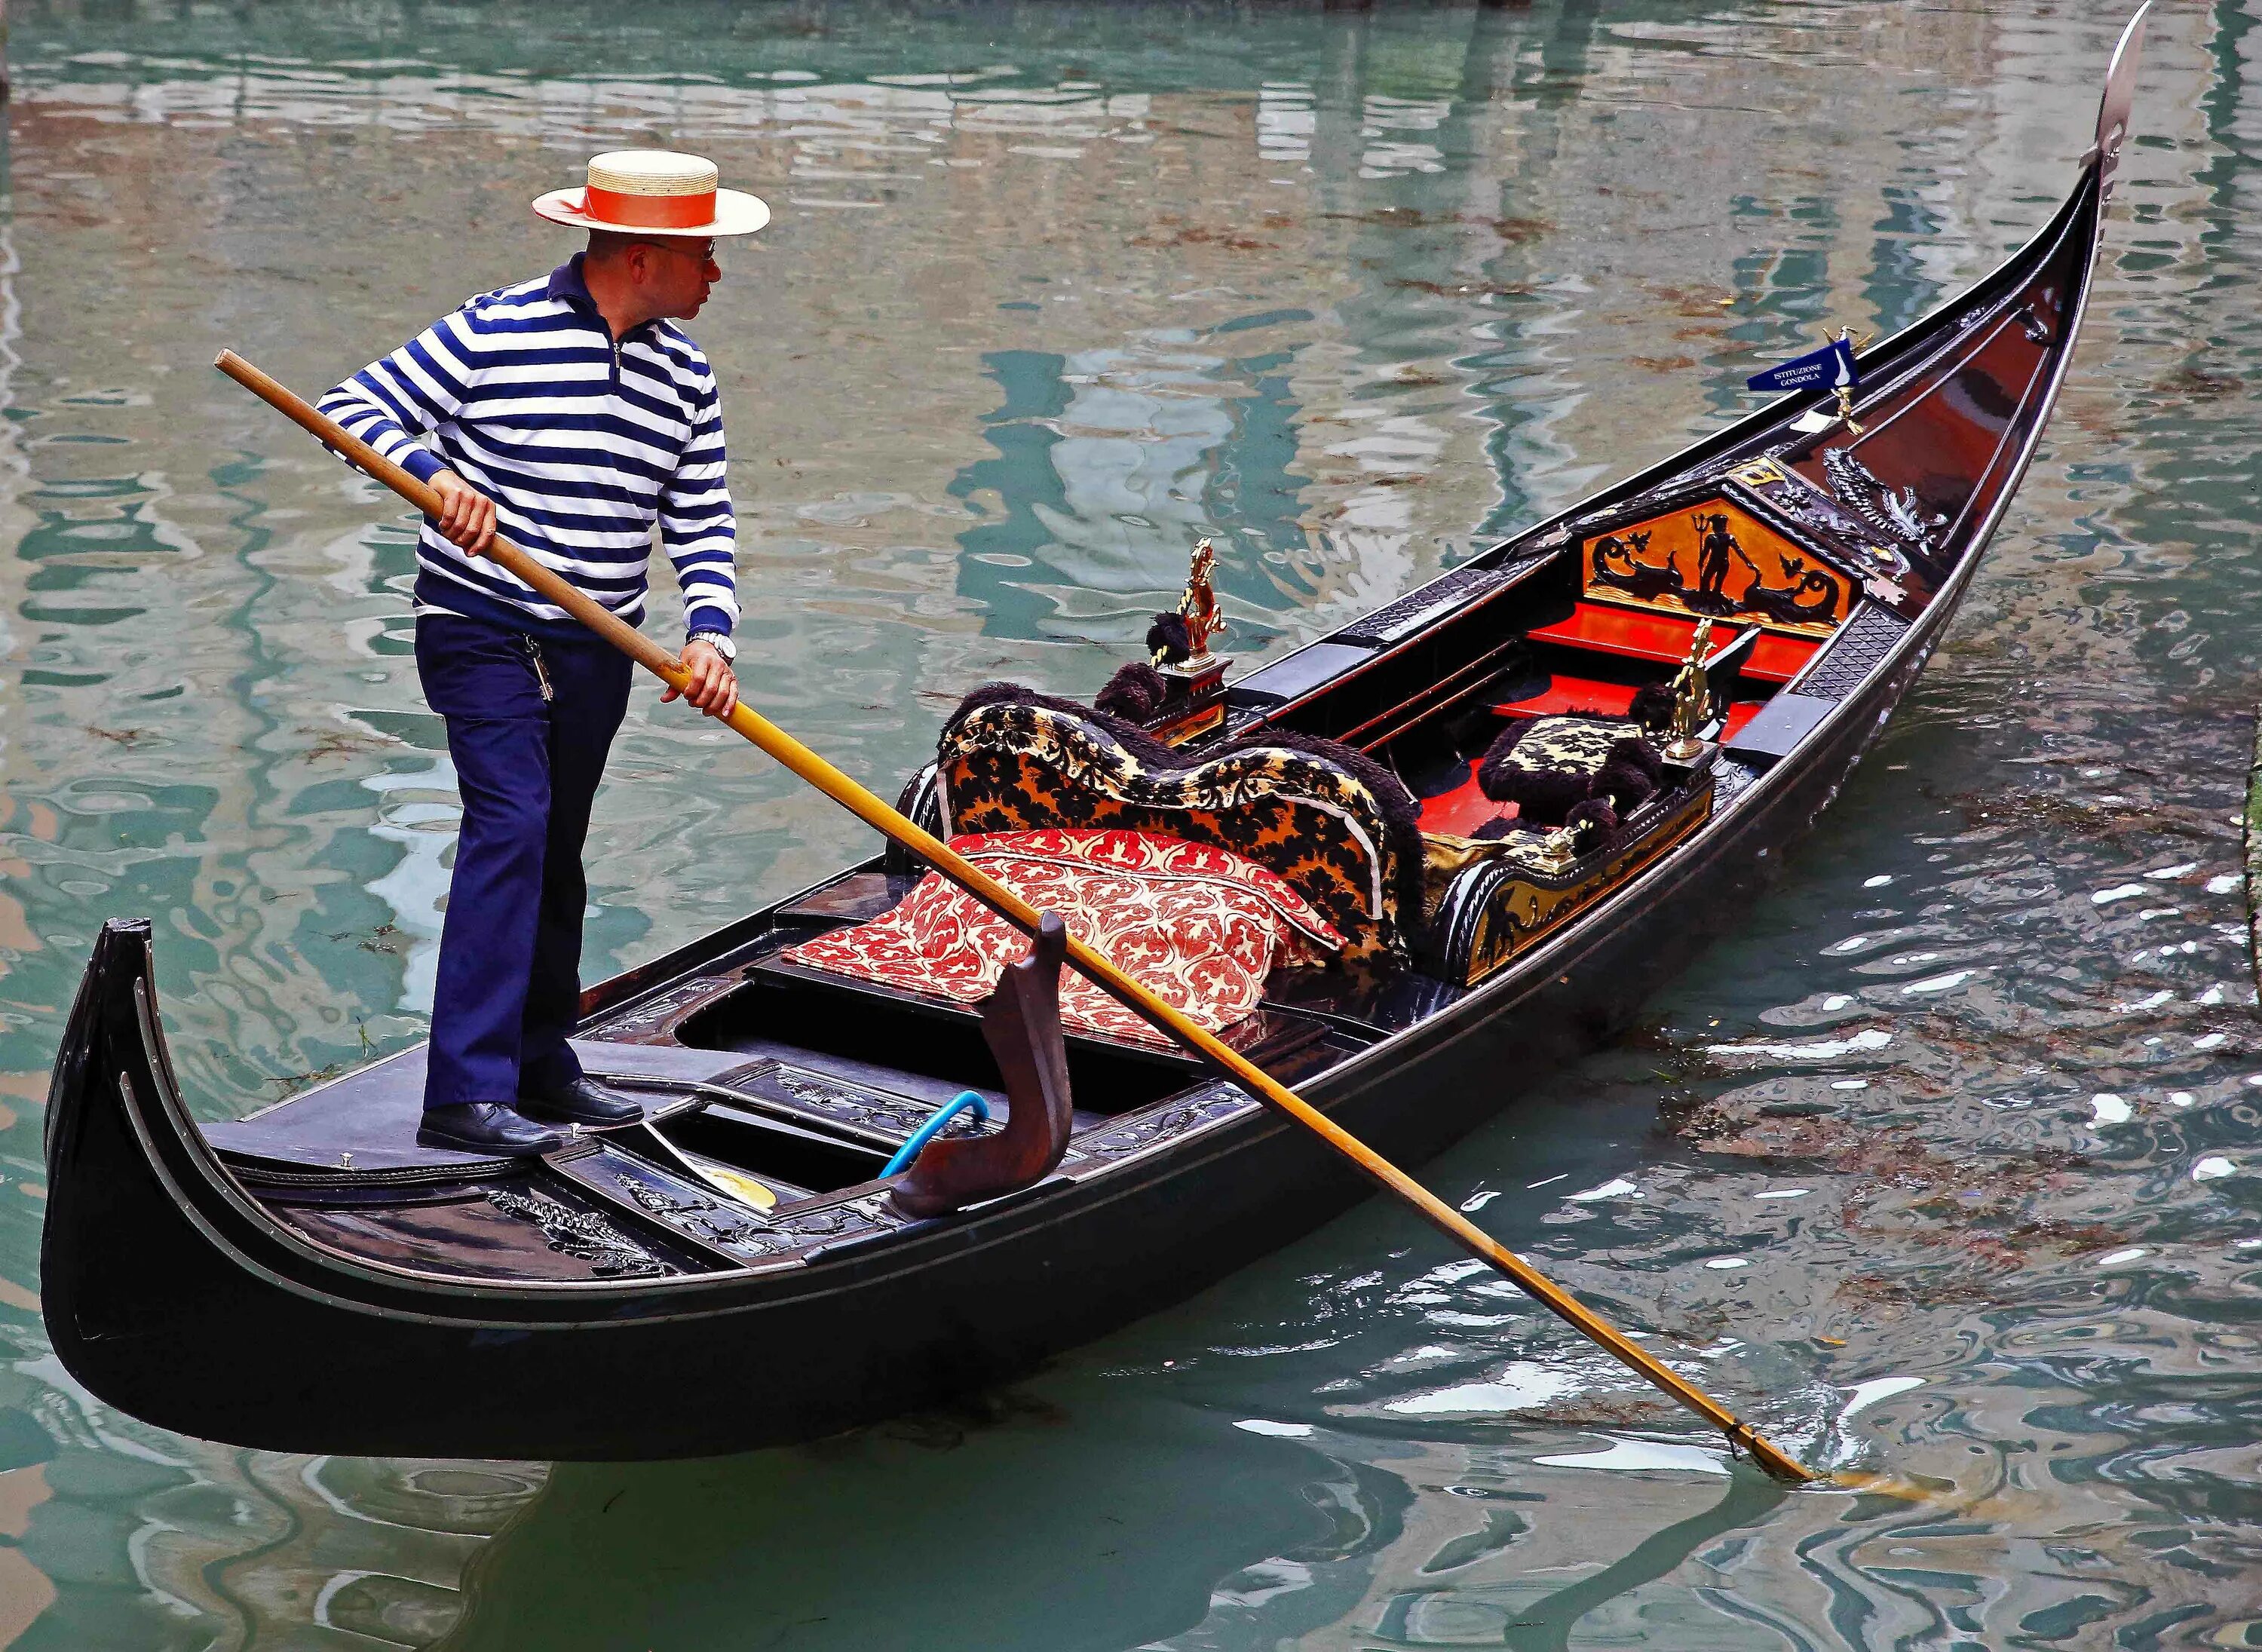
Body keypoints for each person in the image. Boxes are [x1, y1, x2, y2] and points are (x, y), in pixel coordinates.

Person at [319, 151, 770, 1154]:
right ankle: (463, 1096)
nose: (717, 274)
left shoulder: (684, 375)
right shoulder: (495, 327)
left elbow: (700, 516)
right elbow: (350, 410)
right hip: (479, 624)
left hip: (596, 646)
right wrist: (438, 478)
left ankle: (540, 1064)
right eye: (705, 253)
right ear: (647, 256)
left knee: (555, 846)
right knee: (512, 825)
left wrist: (710, 634)